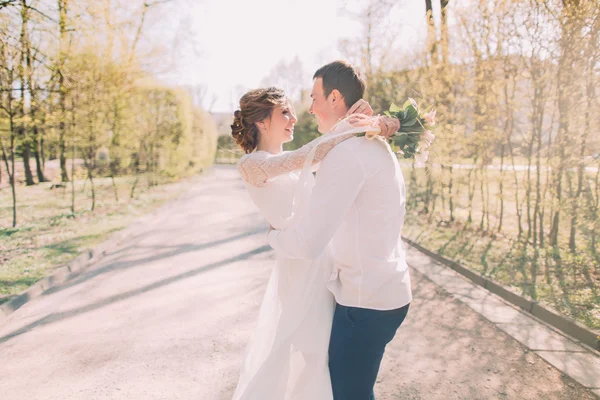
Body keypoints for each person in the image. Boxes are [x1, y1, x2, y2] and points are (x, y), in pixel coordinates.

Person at [231, 86, 399, 399]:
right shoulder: (252, 165)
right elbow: (308, 156)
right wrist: (357, 125)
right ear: (261, 122)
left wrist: (366, 121)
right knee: (308, 354)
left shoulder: (288, 160)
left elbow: (332, 160)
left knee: (322, 360)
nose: (294, 117)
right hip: (300, 271)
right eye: (284, 112)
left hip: (323, 266)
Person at [268, 60, 412, 400]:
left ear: (334, 98)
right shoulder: (369, 144)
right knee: (351, 388)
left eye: (314, 97)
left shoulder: (348, 152)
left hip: (366, 302)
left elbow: (308, 244)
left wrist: (272, 235)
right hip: (382, 290)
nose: (311, 107)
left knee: (348, 393)